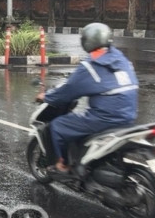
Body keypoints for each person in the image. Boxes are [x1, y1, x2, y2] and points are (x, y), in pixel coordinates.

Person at [35, 23, 138, 174]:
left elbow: (68, 90)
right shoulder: (121, 59)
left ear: (87, 41)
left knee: (57, 126)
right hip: (128, 116)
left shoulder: (91, 66)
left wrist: (46, 96)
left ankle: (62, 166)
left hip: (105, 119)